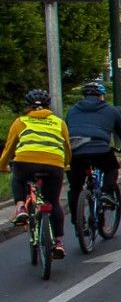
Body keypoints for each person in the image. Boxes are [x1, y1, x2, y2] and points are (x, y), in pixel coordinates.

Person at [2, 87, 72, 255]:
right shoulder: (58, 122)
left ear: (27, 105)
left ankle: (20, 208)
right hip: (53, 165)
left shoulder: (21, 122)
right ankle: (58, 242)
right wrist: (66, 165)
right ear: (49, 106)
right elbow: (66, 147)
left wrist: (2, 165)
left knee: (18, 177)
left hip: (25, 162)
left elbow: (10, 147)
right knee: (53, 203)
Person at [64, 81, 121, 228]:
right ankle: (107, 193)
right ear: (101, 96)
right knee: (111, 168)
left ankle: (77, 222)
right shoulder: (111, 110)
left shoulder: (72, 110)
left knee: (75, 187)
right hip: (99, 149)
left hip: (75, 151)